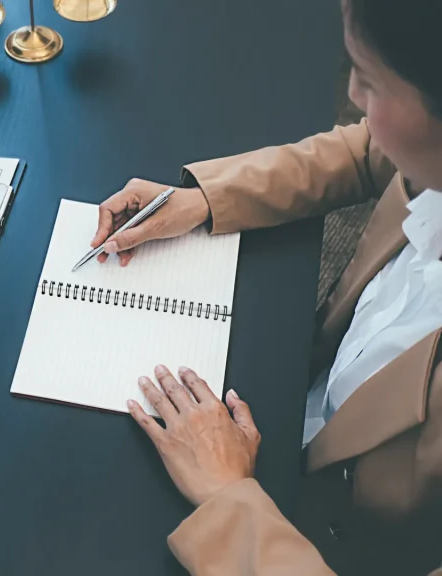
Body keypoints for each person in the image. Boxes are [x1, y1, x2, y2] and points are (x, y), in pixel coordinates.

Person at [91, 0, 442, 573]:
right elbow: (364, 151)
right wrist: (205, 200)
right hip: (299, 395)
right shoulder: (426, 151)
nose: (352, 96)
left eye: (371, 80)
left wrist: (230, 499)